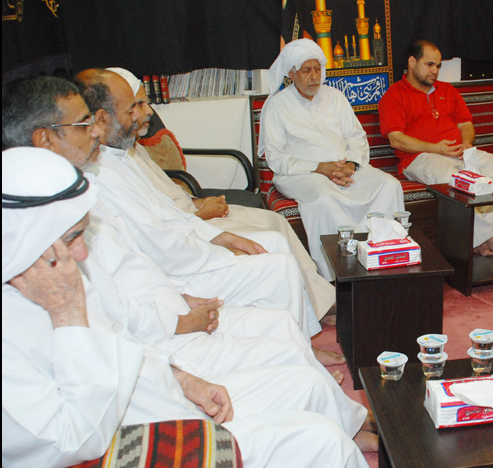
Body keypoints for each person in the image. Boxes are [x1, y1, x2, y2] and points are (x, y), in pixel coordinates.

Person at [1, 148, 402, 468]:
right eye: (72, 237)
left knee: (306, 384)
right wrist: (67, 314)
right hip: (149, 446)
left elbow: (121, 341)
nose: (82, 251)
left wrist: (180, 379)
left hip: (166, 401)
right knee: (325, 448)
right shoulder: (42, 303)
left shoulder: (51, 272)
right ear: (26, 240)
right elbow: (70, 441)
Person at [1, 75, 347, 372]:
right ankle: (306, 349)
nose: (144, 113)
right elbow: (145, 257)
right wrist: (183, 304)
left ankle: (308, 338)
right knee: (276, 266)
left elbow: (164, 217)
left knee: (274, 251)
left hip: (174, 279)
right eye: (84, 124)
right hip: (172, 286)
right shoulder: (88, 185)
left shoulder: (110, 162)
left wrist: (217, 240)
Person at [72, 69, 320, 338]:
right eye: (132, 108)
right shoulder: (102, 175)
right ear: (102, 118)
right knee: (279, 266)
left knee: (274, 242)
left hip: (187, 251)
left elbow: (169, 212)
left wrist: (222, 238)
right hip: (176, 275)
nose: (141, 115)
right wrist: (221, 253)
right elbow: (158, 244)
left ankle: (301, 339)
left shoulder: (119, 155)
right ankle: (293, 342)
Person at [259, 38, 405, 280]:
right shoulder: (277, 106)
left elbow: (356, 137)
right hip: (301, 174)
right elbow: (277, 158)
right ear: (292, 74)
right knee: (324, 198)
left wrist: (351, 164)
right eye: (307, 70)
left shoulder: (335, 97)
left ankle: (384, 255)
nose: (314, 76)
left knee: (389, 185)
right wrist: (320, 168)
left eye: (317, 69)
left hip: (344, 169)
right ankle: (341, 272)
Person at [379, 39, 493, 255]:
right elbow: (396, 139)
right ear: (412, 62)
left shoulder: (448, 90)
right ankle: (486, 238)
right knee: (455, 181)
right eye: (429, 64)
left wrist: (467, 144)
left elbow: (465, 124)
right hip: (420, 157)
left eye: (438, 66)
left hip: (458, 152)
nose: (435, 71)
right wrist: (436, 148)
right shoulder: (394, 95)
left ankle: (487, 238)